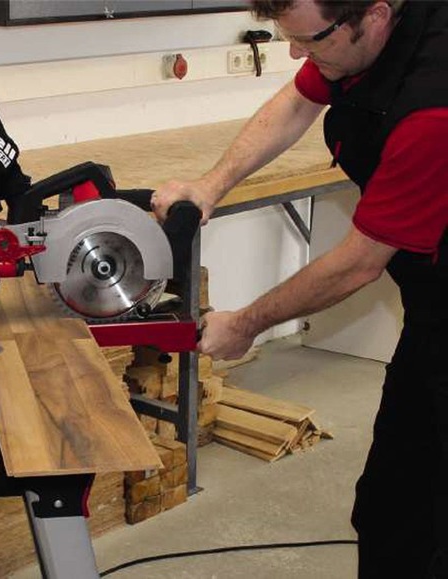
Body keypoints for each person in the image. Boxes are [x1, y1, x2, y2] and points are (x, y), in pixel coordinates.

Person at [150, 0, 448, 576]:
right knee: (392, 507)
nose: (295, 54)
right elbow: (296, 101)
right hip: (432, 308)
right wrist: (210, 186)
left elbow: (357, 263)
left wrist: (246, 324)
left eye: (311, 41)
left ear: (375, 15)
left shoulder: (433, 111)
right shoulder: (359, 41)